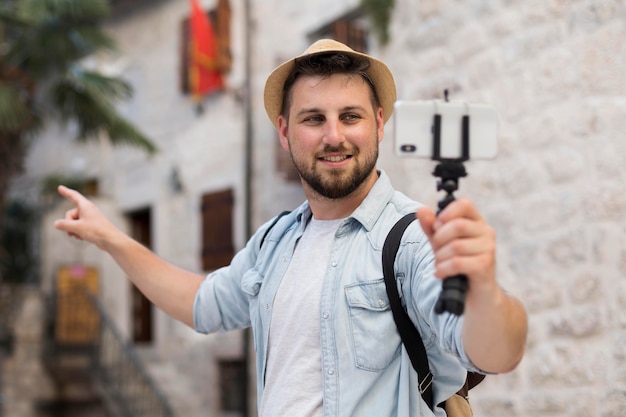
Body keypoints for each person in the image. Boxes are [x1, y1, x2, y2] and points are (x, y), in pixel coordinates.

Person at [55, 39, 527, 417]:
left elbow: (493, 353)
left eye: (351, 116)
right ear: (284, 132)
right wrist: (110, 237)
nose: (334, 136)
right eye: (313, 119)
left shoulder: (413, 237)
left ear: (379, 124)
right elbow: (201, 304)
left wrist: (484, 290)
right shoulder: (276, 241)